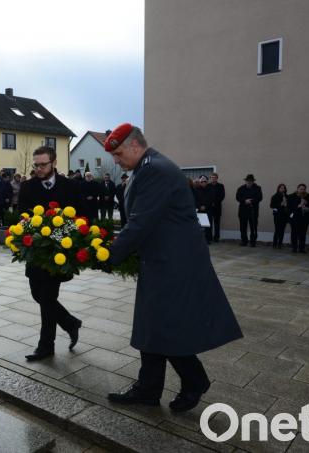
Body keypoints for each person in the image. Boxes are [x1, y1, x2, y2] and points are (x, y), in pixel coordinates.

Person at [102, 123, 242, 413]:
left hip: (174, 263)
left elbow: (140, 222)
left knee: (168, 325)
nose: (115, 160)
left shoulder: (154, 169)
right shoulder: (146, 167)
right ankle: (148, 389)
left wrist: (109, 254)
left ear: (133, 146)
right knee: (152, 325)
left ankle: (194, 380)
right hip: (161, 259)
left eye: (117, 154)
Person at [17, 145, 84, 361]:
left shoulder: (70, 187)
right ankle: (69, 322)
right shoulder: (27, 187)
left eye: (43, 164)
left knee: (47, 297)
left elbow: (80, 218)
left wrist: (62, 236)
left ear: (54, 163)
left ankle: (46, 346)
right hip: (36, 252)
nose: (38, 168)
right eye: (35, 165)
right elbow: (22, 217)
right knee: (38, 294)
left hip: (58, 253)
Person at [236, 174, 263, 247]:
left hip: (253, 211)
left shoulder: (258, 188)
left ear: (253, 181)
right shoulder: (241, 188)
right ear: (246, 181)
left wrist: (251, 201)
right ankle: (244, 241)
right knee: (243, 227)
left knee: (253, 227)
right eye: (248, 181)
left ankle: (253, 242)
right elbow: (238, 197)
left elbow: (260, 198)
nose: (249, 182)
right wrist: (245, 201)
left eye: (251, 181)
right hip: (243, 211)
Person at [288, 183, 309, 253]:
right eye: (301, 189)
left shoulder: (308, 196)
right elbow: (289, 207)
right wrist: (298, 206)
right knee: (294, 233)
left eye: (304, 189)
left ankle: (302, 248)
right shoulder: (291, 196)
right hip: (294, 218)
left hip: (304, 218)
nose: (302, 190)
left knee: (303, 234)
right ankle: (294, 248)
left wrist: (307, 206)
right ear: (297, 189)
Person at [194, 175, 214, 244]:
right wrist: (200, 206)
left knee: (208, 225)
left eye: (205, 181)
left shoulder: (210, 189)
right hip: (199, 210)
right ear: (200, 182)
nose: (203, 182)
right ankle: (200, 240)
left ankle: (208, 239)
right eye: (202, 181)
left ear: (207, 182)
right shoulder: (196, 190)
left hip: (208, 209)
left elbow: (211, 199)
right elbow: (195, 200)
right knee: (200, 225)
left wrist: (205, 206)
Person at [269, 184, 289, 249]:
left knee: (282, 230)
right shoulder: (275, 196)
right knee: (277, 229)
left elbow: (289, 205)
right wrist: (280, 204)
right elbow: (271, 205)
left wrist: (286, 204)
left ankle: (280, 244)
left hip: (284, 215)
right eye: (281, 188)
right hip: (277, 215)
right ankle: (274, 243)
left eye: (284, 188)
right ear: (278, 189)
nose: (282, 189)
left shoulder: (287, 196)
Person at [209, 172, 225, 242]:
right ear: (210, 178)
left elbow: (222, 196)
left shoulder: (221, 186)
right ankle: (209, 237)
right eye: (212, 178)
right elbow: (206, 196)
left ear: (217, 178)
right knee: (209, 223)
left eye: (214, 178)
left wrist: (215, 202)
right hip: (209, 207)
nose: (213, 179)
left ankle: (216, 237)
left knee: (217, 223)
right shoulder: (208, 186)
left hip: (217, 207)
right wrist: (210, 203)